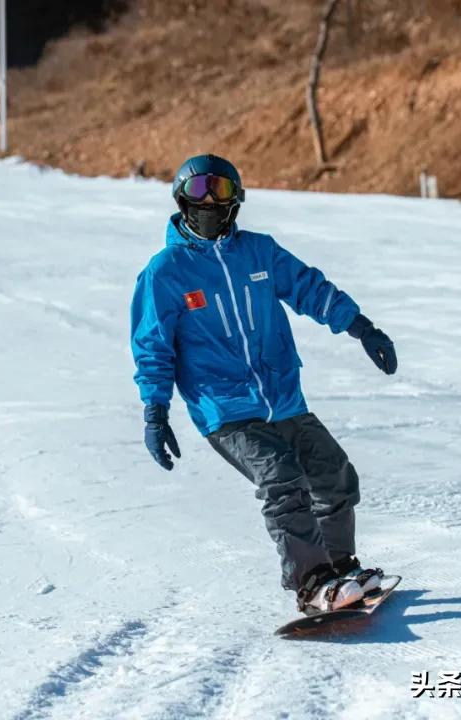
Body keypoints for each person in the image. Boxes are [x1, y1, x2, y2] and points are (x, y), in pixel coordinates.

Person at [130, 154, 397, 614]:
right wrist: (155, 411)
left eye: (219, 190)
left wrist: (361, 327)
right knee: (281, 478)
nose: (208, 201)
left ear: (235, 200)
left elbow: (310, 289)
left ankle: (340, 569)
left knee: (333, 475)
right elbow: (153, 345)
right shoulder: (165, 271)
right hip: (225, 408)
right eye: (198, 191)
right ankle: (312, 584)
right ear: (180, 200)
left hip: (283, 398)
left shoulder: (259, 252)